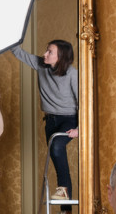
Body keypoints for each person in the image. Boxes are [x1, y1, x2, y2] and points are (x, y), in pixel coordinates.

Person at [11, 39, 78, 202]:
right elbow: (18, 52)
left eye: (50, 52)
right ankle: (66, 213)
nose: (44, 54)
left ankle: (64, 200)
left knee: (56, 146)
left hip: (69, 119)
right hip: (50, 121)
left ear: (61, 57)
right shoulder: (42, 65)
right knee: (58, 162)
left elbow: (84, 101)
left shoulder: (72, 73)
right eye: (46, 50)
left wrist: (80, 128)